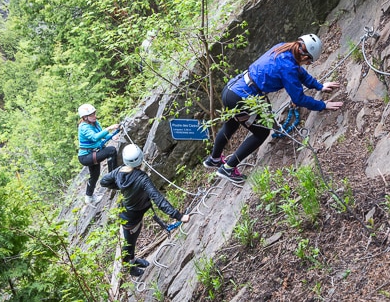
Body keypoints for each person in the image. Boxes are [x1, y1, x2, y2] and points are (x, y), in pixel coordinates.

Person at [203, 33, 343, 184]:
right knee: (261, 132)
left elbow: (299, 73)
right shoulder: (288, 67)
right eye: (309, 62)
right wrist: (323, 105)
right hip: (241, 97)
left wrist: (319, 86)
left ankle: (214, 159)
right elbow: (298, 98)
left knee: (232, 123)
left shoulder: (284, 48)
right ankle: (228, 168)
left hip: (232, 90)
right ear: (305, 57)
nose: (306, 65)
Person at [100, 144, 190, 277]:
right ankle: (130, 267)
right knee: (130, 243)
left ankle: (133, 260)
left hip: (128, 212)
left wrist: (121, 187)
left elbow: (104, 181)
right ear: (140, 159)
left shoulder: (119, 171)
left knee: (130, 240)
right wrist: (179, 216)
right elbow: (158, 200)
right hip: (132, 218)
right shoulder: (142, 179)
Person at [77, 103, 120, 205]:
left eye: (94, 113)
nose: (94, 116)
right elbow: (95, 137)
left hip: (92, 153)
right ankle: (112, 179)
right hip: (86, 156)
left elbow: (101, 134)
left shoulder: (95, 123)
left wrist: (111, 136)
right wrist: (109, 128)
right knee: (111, 150)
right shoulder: (83, 127)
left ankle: (89, 197)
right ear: (85, 117)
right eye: (91, 115)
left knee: (95, 175)